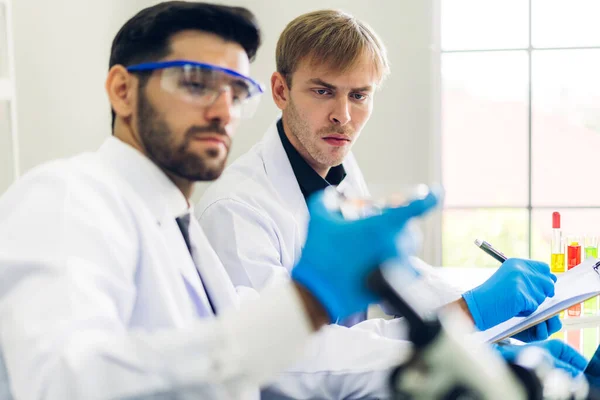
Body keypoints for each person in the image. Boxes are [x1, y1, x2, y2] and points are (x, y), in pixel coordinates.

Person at [0, 3, 441, 399]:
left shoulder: (182, 228)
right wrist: (308, 302)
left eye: (235, 91)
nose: (223, 111)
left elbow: (279, 365)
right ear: (121, 90)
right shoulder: (67, 197)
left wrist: (445, 358)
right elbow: (58, 383)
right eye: (196, 84)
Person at [196, 9, 563, 348]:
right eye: (323, 91)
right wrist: (467, 316)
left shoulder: (340, 167)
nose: (343, 115)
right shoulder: (236, 210)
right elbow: (293, 356)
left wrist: (495, 315)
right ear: (281, 90)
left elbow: (391, 272)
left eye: (359, 95)